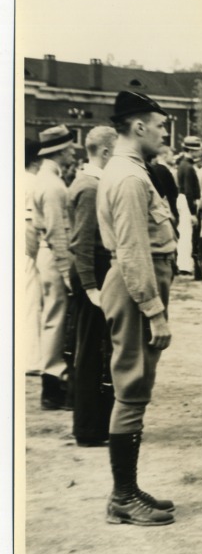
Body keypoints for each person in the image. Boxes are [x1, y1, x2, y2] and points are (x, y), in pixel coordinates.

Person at [97, 91, 177, 526]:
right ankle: (123, 496)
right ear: (139, 126)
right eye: (161, 125)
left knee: (136, 386)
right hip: (135, 288)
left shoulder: (131, 171)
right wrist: (154, 310)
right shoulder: (129, 178)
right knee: (131, 387)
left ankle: (127, 488)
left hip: (136, 285)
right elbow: (133, 251)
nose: (165, 132)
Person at [68, 126, 116, 446]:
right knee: (90, 350)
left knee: (95, 348)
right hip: (92, 274)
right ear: (105, 153)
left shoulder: (91, 183)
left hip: (94, 272)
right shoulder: (89, 187)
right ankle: (88, 427)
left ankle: (95, 422)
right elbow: (82, 242)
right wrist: (89, 286)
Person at [33, 124, 79, 410]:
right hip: (54, 255)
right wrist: (65, 270)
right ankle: (53, 386)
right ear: (60, 150)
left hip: (45, 254)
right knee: (56, 319)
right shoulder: (52, 185)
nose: (74, 151)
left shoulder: (47, 179)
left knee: (54, 317)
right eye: (71, 147)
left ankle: (54, 381)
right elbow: (56, 232)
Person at [24, 137, 44, 377]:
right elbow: (30, 224)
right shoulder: (33, 182)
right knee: (31, 302)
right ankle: (31, 358)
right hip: (26, 248)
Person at [174, 137, 202, 277]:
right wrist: (193, 213)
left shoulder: (182, 164)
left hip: (183, 199)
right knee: (187, 234)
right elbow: (189, 191)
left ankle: (183, 263)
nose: (199, 153)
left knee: (184, 233)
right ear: (191, 150)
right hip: (186, 200)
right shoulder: (188, 167)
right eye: (197, 150)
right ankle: (184, 265)